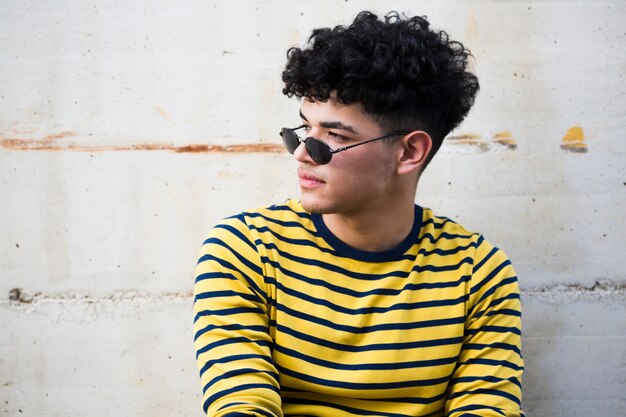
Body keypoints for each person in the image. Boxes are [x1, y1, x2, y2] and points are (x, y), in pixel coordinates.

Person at [193, 10, 524, 417]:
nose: (301, 153)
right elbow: (241, 406)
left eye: (332, 137)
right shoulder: (246, 250)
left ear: (409, 152)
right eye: (302, 130)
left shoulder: (477, 273)